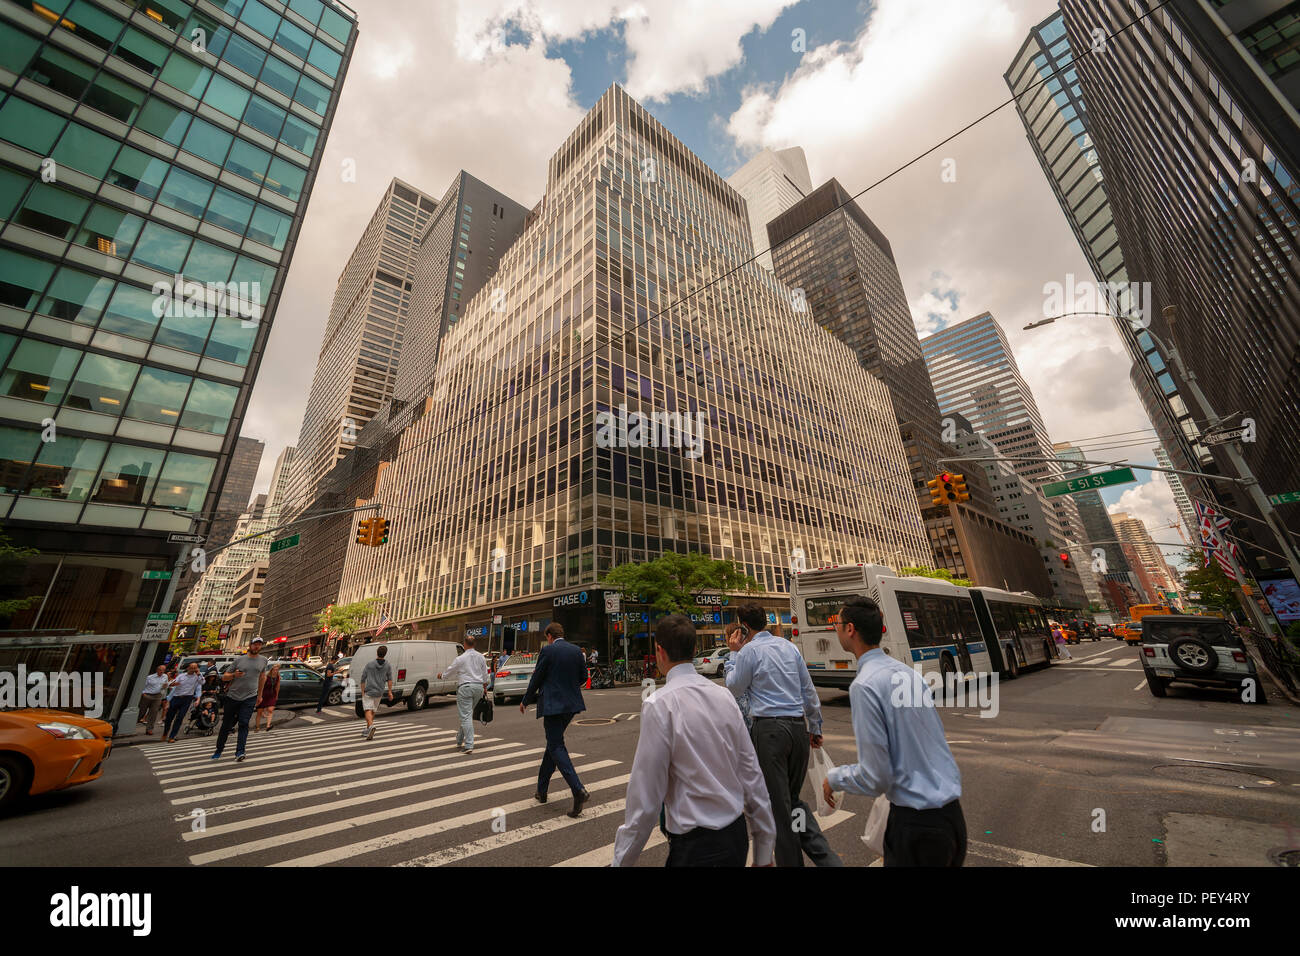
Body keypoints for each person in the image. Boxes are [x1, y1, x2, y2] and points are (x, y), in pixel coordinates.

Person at [614, 614, 776, 867]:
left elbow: (645, 798)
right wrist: (765, 847)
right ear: (695, 650)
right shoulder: (723, 696)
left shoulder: (660, 704)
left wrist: (621, 861)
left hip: (695, 847)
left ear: (659, 651)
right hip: (735, 838)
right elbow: (750, 773)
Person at [822, 597, 966, 866]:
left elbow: (876, 777)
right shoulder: (908, 673)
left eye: (837, 623)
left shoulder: (864, 686)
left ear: (850, 629)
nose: (836, 628)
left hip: (916, 827)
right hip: (951, 818)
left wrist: (835, 778)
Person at [725, 603, 841, 867]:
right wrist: (815, 726)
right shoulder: (789, 646)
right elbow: (808, 690)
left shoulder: (747, 652)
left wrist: (733, 654)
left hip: (770, 732)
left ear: (744, 626)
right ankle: (828, 860)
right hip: (798, 729)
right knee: (792, 802)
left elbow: (733, 687)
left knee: (779, 808)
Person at [520, 622, 590, 817]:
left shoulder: (548, 651)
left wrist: (525, 700)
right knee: (553, 744)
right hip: (571, 706)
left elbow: (537, 677)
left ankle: (578, 789)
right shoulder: (576, 651)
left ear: (550, 636)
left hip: (552, 705)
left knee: (556, 746)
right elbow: (583, 677)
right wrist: (568, 687)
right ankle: (541, 791)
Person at [211, 636, 269, 762]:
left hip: (250, 697)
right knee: (226, 725)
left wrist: (260, 695)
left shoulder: (263, 660)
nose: (257, 646)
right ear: (250, 645)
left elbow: (262, 677)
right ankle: (219, 749)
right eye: (255, 644)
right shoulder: (239, 660)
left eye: (259, 644)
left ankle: (240, 752)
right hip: (233, 697)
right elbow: (224, 677)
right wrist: (234, 675)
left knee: (244, 723)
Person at [440, 634, 490, 753]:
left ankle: (469, 745)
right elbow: (485, 675)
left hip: (465, 687)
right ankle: (459, 740)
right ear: (474, 644)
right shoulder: (481, 657)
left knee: (466, 716)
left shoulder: (460, 658)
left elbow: (450, 670)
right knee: (467, 714)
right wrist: (485, 686)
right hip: (478, 688)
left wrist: (442, 676)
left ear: (465, 644)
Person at [721, 621, 753, 730]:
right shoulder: (752, 652)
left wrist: (734, 653)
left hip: (741, 710)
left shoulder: (730, 657)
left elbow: (730, 683)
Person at [358, 645, 394, 740]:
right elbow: (390, 679)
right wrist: (390, 692)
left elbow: (363, 679)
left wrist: (362, 692)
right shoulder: (388, 665)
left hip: (369, 691)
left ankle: (371, 726)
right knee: (372, 710)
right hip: (379, 691)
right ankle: (368, 730)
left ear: (377, 652)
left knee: (367, 710)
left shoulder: (370, 664)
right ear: (385, 654)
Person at [163, 662, 204, 742]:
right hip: (176, 698)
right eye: (191, 667)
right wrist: (170, 685)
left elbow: (202, 683)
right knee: (169, 717)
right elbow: (173, 684)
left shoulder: (197, 677)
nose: (193, 669)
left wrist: (199, 673)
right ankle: (165, 733)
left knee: (180, 718)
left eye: (195, 667)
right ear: (188, 668)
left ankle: (172, 736)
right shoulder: (181, 676)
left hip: (187, 699)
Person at [138, 665, 169, 737]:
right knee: (141, 711)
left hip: (158, 696)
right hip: (148, 695)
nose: (162, 672)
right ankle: (133, 724)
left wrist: (165, 686)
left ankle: (149, 729)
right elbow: (143, 686)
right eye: (160, 670)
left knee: (154, 713)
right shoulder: (150, 677)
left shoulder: (165, 676)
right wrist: (143, 694)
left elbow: (166, 686)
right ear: (157, 670)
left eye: (163, 670)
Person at [254, 664, 280, 732]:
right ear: (271, 670)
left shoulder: (278, 677)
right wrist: (259, 696)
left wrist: (276, 695)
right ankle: (257, 727)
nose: (275, 671)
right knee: (259, 712)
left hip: (272, 695)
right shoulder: (266, 677)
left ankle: (268, 726)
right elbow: (260, 686)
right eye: (274, 670)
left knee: (270, 710)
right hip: (263, 695)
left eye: (277, 670)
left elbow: (277, 687)